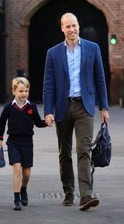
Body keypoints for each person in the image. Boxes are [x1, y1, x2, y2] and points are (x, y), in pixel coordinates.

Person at [43, 12, 110, 211]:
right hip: (63, 107)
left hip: (85, 106)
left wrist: (104, 107)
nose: (72, 30)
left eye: (74, 25)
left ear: (78, 26)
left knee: (83, 150)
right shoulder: (53, 53)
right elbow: (48, 85)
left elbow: (100, 78)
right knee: (64, 153)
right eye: (67, 26)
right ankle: (69, 192)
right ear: (62, 29)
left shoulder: (92, 48)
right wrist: (48, 111)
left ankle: (86, 195)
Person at [0, 77, 47, 211]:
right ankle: (16, 198)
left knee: (27, 172)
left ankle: (23, 189)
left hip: (28, 143)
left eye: (26, 91)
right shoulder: (8, 107)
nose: (24, 94)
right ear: (14, 91)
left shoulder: (32, 107)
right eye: (21, 91)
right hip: (13, 142)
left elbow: (38, 123)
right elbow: (1, 123)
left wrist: (46, 122)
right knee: (17, 169)